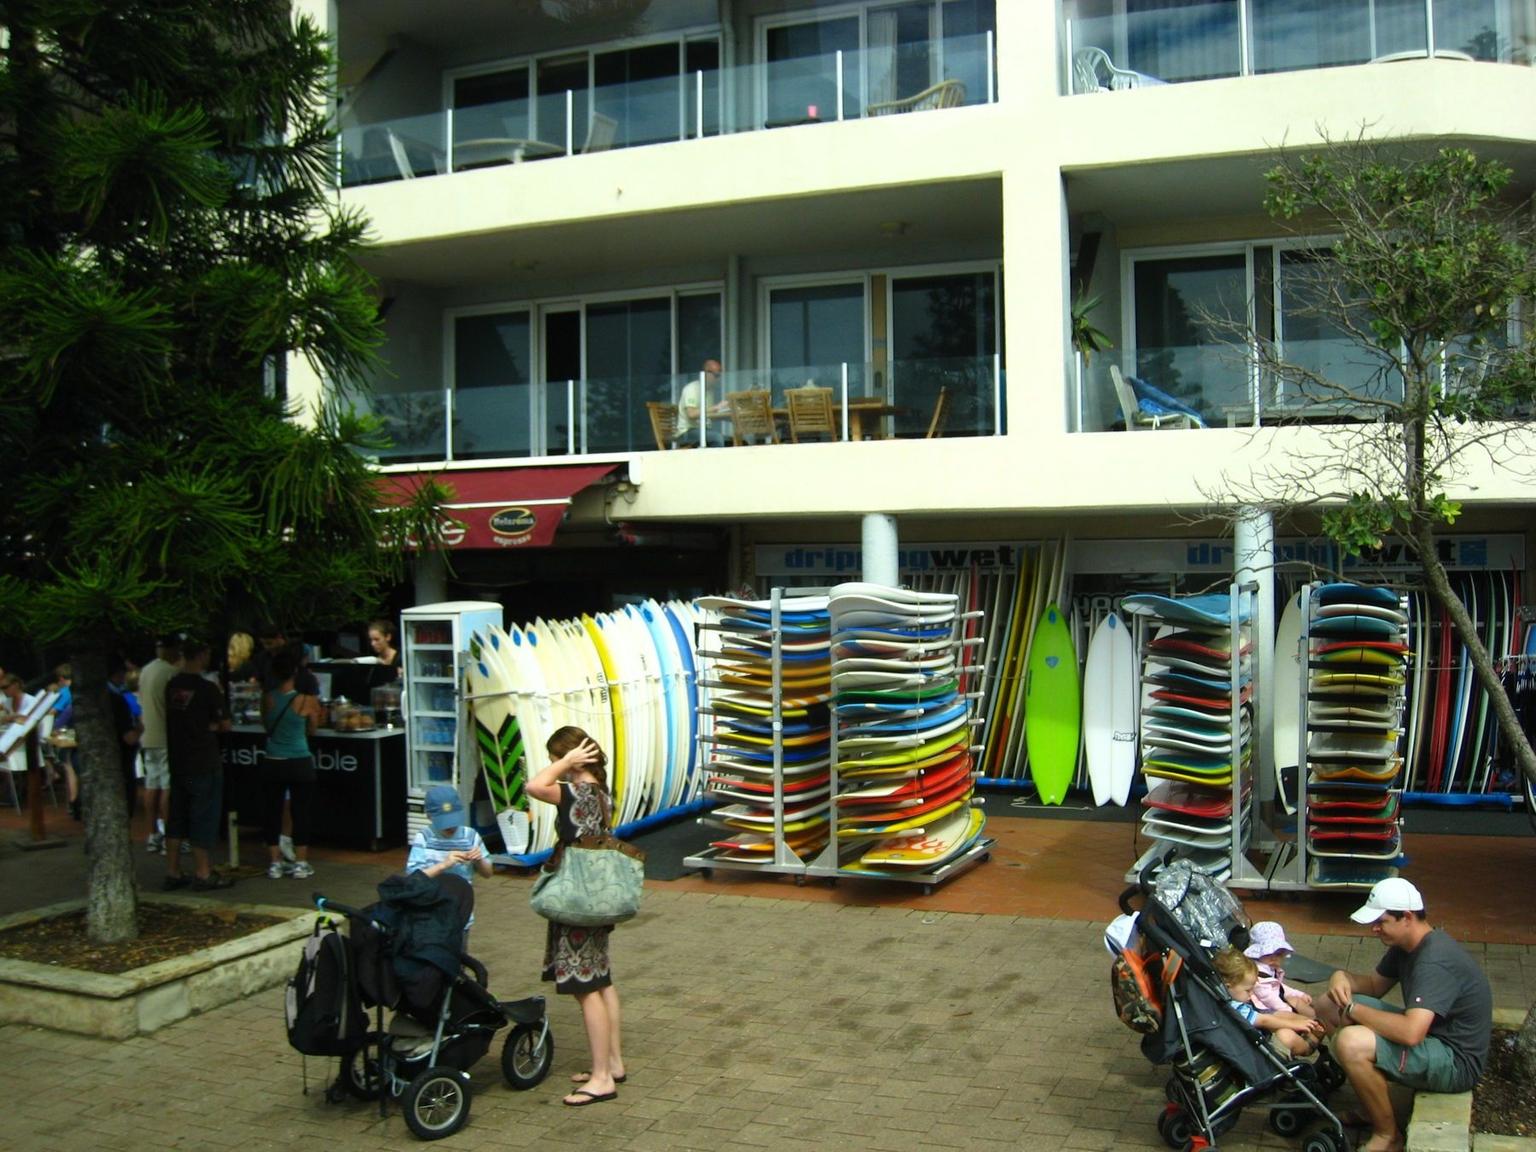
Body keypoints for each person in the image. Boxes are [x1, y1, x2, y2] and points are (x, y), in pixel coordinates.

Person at [1324, 877, 1493, 1152]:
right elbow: (1374, 986)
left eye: (1381, 922)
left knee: (1351, 1042)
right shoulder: (1407, 945)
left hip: (1456, 1061)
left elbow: (1411, 1033)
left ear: (1407, 917)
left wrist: (1354, 1010)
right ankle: (1374, 1102)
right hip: (1432, 1038)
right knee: (1328, 1004)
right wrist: (1339, 976)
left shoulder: (1433, 960)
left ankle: (1387, 1136)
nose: (1374, 929)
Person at [527, 725, 626, 1107]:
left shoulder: (574, 793)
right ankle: (613, 1063)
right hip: (598, 898)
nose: (552, 766)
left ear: (571, 758)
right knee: (601, 980)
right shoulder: (600, 794)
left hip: (577, 902)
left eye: (556, 758)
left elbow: (535, 787)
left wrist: (564, 764)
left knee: (585, 988)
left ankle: (602, 1078)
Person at [162, 640, 234, 891]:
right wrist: (212, 727)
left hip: (178, 759)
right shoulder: (207, 689)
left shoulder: (172, 686)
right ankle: (203, 871)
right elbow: (225, 724)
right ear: (202, 655)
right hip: (203, 760)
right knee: (202, 815)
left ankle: (172, 869)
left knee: (177, 815)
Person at [260, 647, 322, 880]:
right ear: (295, 671)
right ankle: (301, 862)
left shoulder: (267, 698)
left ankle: (275, 862)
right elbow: (313, 728)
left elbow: (266, 727)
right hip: (299, 760)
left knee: (272, 812)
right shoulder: (307, 700)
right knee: (301, 812)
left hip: (273, 760)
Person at [1212, 947, 1325, 1059]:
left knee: (1277, 1014)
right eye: (1248, 990)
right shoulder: (1235, 1009)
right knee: (1285, 1035)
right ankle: (1308, 1045)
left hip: (1257, 1035)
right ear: (1228, 987)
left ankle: (1309, 1023)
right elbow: (1264, 1021)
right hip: (1258, 1050)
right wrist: (1295, 1025)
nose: (1251, 994)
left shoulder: (1222, 997)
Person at [408, 784, 492, 933]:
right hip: (430, 913)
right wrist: (444, 865)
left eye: (453, 820)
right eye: (444, 822)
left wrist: (479, 860)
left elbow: (488, 873)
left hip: (460, 913)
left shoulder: (470, 836)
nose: (450, 827)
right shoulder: (424, 838)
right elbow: (413, 878)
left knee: (459, 953)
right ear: (429, 816)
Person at [138, 636, 182, 853]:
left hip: (148, 735)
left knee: (152, 785)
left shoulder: (145, 670)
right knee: (167, 787)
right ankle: (168, 835)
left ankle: (152, 833)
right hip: (166, 737)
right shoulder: (170, 673)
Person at [1244, 921, 1316, 1018]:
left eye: (1278, 954)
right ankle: (1313, 1024)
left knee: (1299, 1002)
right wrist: (1287, 1009)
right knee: (1298, 1013)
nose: (1274, 958)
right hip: (1264, 1009)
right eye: (1268, 953)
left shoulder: (1269, 968)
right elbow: (1268, 997)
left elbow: (1280, 987)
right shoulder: (1257, 974)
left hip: (1275, 1002)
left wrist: (1299, 994)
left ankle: (1317, 1021)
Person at [675, 358, 728, 447]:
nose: (718, 379)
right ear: (706, 374)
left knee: (732, 440)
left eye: (719, 376)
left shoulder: (709, 391)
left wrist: (727, 413)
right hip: (688, 431)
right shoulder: (692, 388)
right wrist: (717, 407)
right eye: (716, 375)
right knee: (717, 438)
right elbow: (691, 414)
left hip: (704, 429)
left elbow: (707, 414)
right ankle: (714, 461)